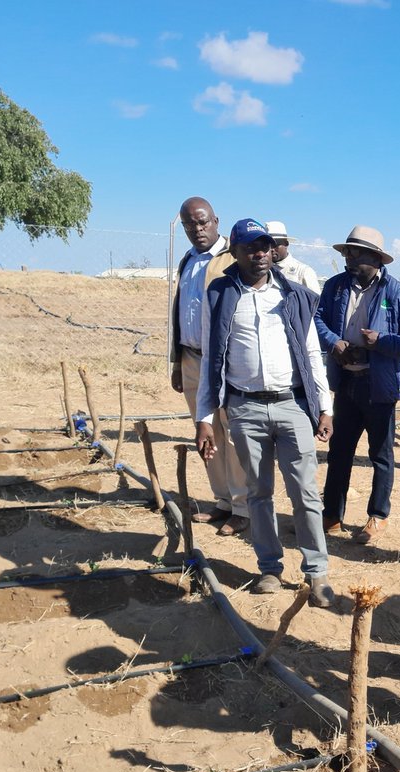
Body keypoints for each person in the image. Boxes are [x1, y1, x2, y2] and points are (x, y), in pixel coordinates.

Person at [196, 218, 335, 606]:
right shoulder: (220, 295)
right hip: (244, 407)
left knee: (305, 492)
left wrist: (325, 407)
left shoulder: (294, 295)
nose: (260, 255)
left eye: (265, 247)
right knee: (258, 493)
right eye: (251, 248)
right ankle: (270, 568)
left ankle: (316, 573)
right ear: (235, 253)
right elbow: (211, 358)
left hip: (292, 405)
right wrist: (204, 419)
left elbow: (311, 353)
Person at [315, 226, 400, 544]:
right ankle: (332, 515)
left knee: (380, 454)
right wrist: (334, 343)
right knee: (339, 451)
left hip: (378, 386)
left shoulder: (398, 294)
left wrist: (381, 342)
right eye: (346, 252)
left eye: (354, 252)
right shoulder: (337, 287)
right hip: (346, 381)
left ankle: (377, 516)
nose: (347, 257)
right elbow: (318, 319)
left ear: (375, 257)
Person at [169, 197, 249, 536]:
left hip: (225, 362)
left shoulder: (234, 258)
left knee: (233, 433)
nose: (197, 230)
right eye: (190, 225)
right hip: (191, 359)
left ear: (216, 220)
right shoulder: (187, 260)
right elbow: (180, 309)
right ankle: (223, 500)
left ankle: (244, 507)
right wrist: (176, 361)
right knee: (207, 432)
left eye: (203, 223)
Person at [265, 221, 321, 292]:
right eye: (268, 245)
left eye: (275, 245)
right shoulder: (263, 270)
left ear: (286, 244)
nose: (272, 249)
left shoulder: (303, 271)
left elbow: (315, 301)